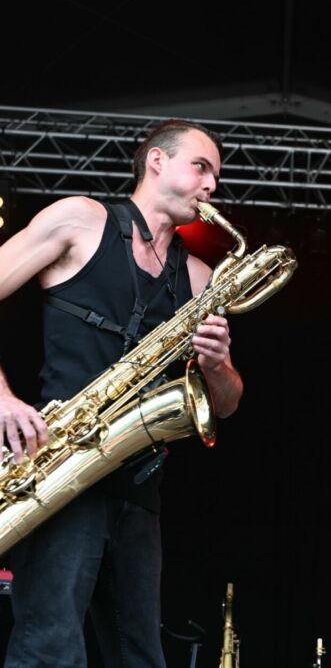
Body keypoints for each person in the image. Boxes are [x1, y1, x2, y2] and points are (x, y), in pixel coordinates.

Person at [0, 119, 243, 667]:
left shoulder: (201, 277)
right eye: (201, 167)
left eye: (216, 176)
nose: (212, 186)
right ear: (156, 161)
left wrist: (219, 364)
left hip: (138, 486)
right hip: (59, 469)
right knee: (50, 650)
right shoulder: (80, 220)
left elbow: (225, 404)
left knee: (140, 655)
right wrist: (4, 399)